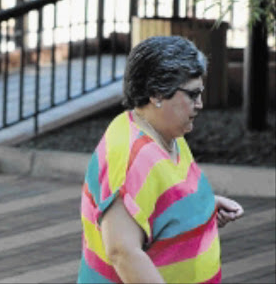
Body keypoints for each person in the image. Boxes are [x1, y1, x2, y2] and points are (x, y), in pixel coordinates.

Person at [78, 36, 244, 283]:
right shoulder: (132, 157)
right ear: (156, 94)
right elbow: (123, 252)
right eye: (193, 94)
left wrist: (203, 208)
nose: (199, 104)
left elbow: (158, 199)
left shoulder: (166, 134)